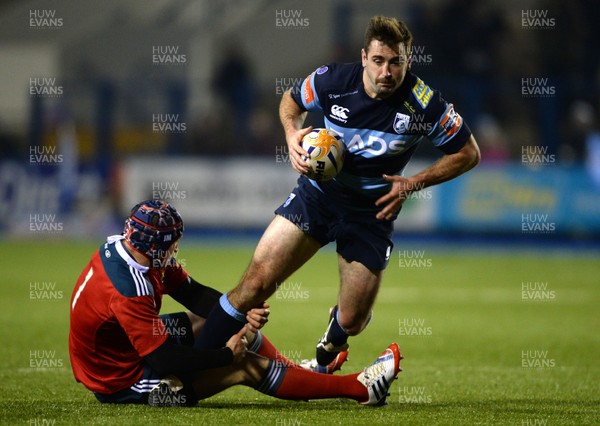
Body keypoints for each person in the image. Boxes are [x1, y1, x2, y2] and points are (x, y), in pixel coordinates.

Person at [195, 15, 480, 373]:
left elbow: (468, 152)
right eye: (378, 61)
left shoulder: (423, 104)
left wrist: (413, 182)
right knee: (255, 284)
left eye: (397, 63)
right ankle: (195, 366)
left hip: (372, 212)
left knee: (354, 320)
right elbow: (291, 100)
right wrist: (290, 133)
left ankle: (334, 336)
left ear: (408, 61)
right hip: (318, 197)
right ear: (364, 58)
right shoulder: (333, 80)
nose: (387, 72)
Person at [68, 199, 402, 407]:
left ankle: (309, 373)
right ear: (154, 247)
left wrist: (239, 314)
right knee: (243, 365)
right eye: (171, 246)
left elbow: (193, 293)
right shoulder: (130, 289)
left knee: (231, 325)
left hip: (123, 345)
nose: (174, 253)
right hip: (121, 378)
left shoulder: (132, 249)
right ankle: (359, 389)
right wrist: (226, 355)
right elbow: (164, 356)